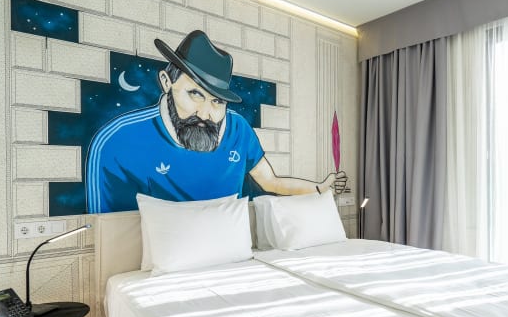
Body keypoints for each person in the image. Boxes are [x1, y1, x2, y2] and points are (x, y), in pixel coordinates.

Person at [86, 30, 345, 213]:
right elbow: (110, 231)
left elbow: (272, 182)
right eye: (195, 94)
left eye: (217, 101)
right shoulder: (118, 142)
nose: (205, 114)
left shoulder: (239, 130)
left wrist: (320, 188)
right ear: (166, 82)